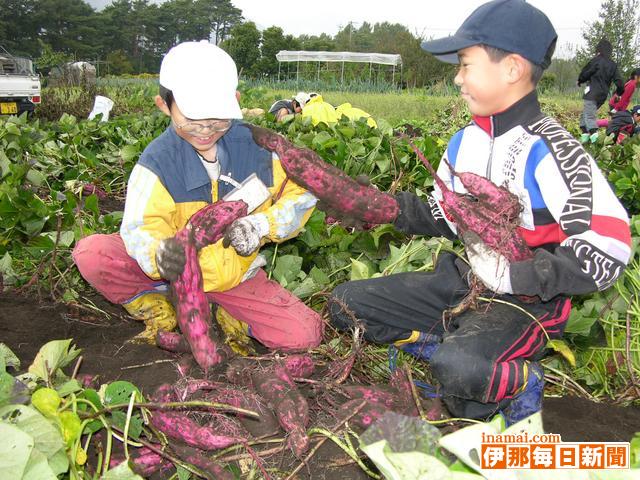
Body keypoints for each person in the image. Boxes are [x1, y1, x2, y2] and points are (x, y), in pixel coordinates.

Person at [328, 0, 631, 425]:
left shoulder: (552, 150)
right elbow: (444, 214)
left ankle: (511, 378)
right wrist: (374, 206)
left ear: (511, 68)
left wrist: (519, 276)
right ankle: (457, 353)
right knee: (346, 304)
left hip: (529, 303)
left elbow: (609, 250)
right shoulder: (464, 142)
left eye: (466, 64)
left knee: (463, 371)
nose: (457, 77)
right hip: (466, 282)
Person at [73, 41, 323, 351]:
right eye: (192, 119)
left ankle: (219, 311)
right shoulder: (157, 164)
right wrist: (162, 256)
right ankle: (161, 305)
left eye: (217, 119)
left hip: (233, 279)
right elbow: (141, 229)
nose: (205, 130)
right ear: (164, 105)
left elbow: (302, 195)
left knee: (305, 335)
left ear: (235, 101)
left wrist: (263, 225)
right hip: (169, 277)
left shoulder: (259, 150)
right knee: (93, 253)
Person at [577, 39, 624, 143]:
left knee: (589, 115)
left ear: (599, 50)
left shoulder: (596, 60)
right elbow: (620, 82)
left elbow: (586, 72)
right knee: (586, 113)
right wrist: (619, 93)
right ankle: (584, 137)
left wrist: (580, 80)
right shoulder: (613, 65)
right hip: (602, 95)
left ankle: (595, 139)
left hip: (592, 93)